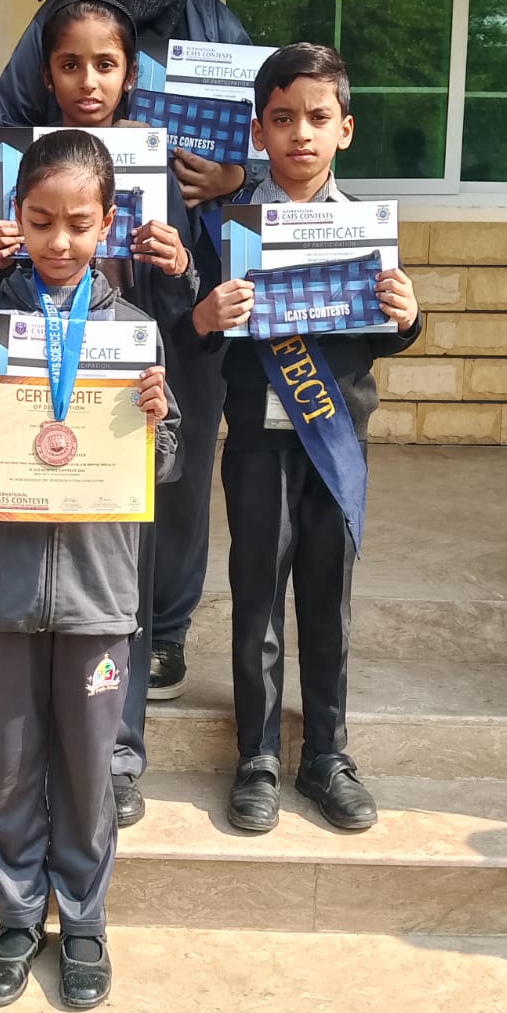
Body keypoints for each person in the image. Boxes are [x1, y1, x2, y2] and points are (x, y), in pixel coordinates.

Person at [0, 0, 249, 785]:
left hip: (176, 290)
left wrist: (229, 183)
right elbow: (7, 136)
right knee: (62, 442)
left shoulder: (216, 25)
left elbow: (269, 149)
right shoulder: (59, 16)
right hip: (60, 289)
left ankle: (160, 629)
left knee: (174, 457)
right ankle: (47, 613)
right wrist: (5, 231)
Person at [0, 130, 180, 1011]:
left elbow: (168, 464)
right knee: (8, 764)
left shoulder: (135, 332)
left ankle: (82, 920)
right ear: (17, 218)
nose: (60, 241)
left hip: (99, 599)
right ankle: (14, 915)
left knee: (87, 764)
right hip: (2, 594)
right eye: (41, 222)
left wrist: (156, 422)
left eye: (79, 224)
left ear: (108, 222)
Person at [190, 44, 422, 834]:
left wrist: (408, 317)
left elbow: (379, 337)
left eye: (318, 118)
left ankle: (326, 755)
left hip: (334, 443)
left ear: (344, 129)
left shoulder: (367, 230)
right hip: (256, 443)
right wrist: (204, 316)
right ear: (258, 132)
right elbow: (194, 335)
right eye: (283, 119)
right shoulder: (225, 230)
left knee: (328, 605)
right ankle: (256, 757)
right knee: (257, 602)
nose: (301, 133)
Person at [0, 0, 198, 827]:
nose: (88, 80)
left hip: (118, 415)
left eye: (105, 64)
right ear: (47, 74)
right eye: (69, 64)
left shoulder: (158, 167)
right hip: (29, 414)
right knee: (41, 593)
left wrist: (178, 267)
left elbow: (187, 313)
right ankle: (43, 753)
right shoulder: (17, 165)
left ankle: (118, 753)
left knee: (118, 599)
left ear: (130, 75)